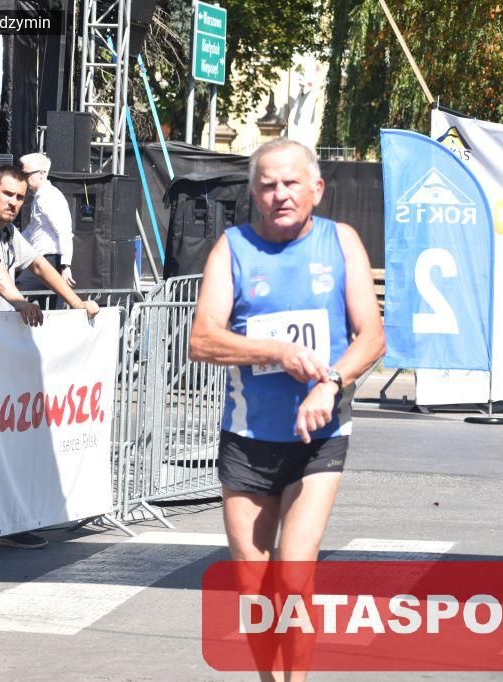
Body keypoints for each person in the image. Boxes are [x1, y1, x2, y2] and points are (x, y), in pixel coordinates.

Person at [188, 138, 385, 681]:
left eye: (291, 183)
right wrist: (276, 351)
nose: (280, 194)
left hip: (318, 439)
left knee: (294, 577)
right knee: (254, 590)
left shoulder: (340, 242)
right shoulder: (233, 248)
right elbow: (202, 339)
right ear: (254, 194)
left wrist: (332, 383)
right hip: (248, 440)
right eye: (268, 185)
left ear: (316, 189)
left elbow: (372, 336)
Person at [0, 164, 99, 549]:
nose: (13, 203)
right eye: (7, 194)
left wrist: (76, 302)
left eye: (20, 198)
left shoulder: (7, 230)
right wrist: (19, 301)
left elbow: (40, 265)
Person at [15, 152, 75, 308]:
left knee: (16, 294)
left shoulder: (50, 196)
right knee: (49, 310)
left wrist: (65, 265)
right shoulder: (40, 197)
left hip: (50, 259)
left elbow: (64, 231)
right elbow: (32, 230)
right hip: (43, 258)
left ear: (42, 173)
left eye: (26, 175)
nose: (24, 179)